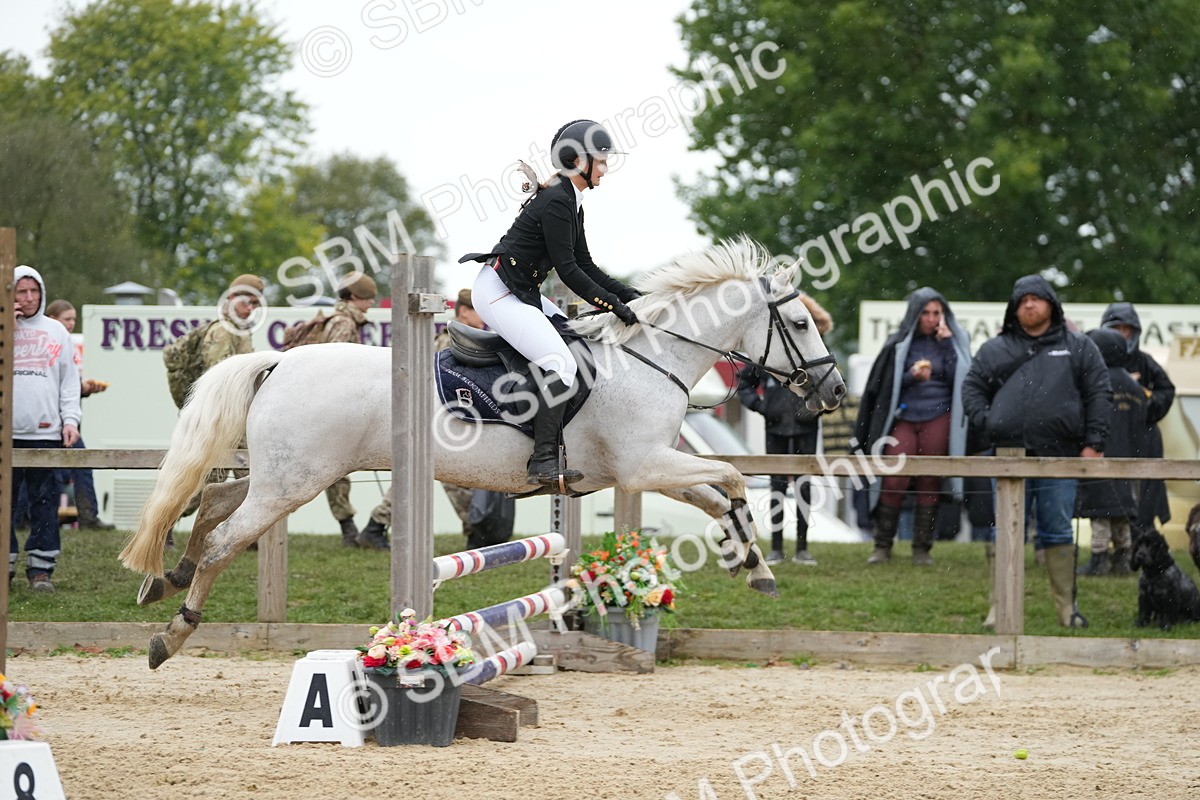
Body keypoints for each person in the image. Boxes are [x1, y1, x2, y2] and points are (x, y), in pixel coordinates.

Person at [460, 119, 641, 487]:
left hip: (522, 290)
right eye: (601, 161)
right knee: (561, 365)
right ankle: (541, 460)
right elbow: (569, 271)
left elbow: (586, 264)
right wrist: (614, 306)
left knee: (577, 346)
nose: (605, 168)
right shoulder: (558, 200)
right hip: (499, 292)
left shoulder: (572, 200)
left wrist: (631, 296)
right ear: (578, 161)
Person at [963, 275, 1111, 628]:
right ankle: (999, 608)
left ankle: (1067, 610)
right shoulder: (994, 349)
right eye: (1023, 299)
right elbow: (972, 387)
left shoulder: (1079, 347)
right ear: (1014, 308)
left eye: (1037, 298)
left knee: (1057, 530)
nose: (1029, 304)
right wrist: (989, 421)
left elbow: (1099, 393)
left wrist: (1094, 443)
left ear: (1051, 304)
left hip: (1059, 455)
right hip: (1006, 455)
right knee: (1005, 530)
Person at [854, 288, 972, 566]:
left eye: (936, 313)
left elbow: (961, 381)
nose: (931, 318)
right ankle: (882, 546)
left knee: (929, 479)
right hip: (905, 416)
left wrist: (947, 345)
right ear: (915, 314)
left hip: (939, 414)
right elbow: (885, 384)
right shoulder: (898, 341)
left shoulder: (956, 341)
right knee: (894, 478)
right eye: (925, 313)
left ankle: (922, 549)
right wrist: (911, 376)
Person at [737, 295, 833, 566]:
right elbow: (744, 384)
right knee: (777, 487)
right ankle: (777, 548)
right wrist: (762, 407)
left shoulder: (818, 349)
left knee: (804, 486)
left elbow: (835, 387)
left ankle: (802, 548)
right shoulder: (772, 350)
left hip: (805, 428)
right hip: (775, 426)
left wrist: (816, 409)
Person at [10, 266, 82, 593]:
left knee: (44, 503)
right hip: (7, 435)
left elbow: (69, 382)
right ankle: (5, 564)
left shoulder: (56, 331)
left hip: (46, 432)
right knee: (6, 504)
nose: (28, 298)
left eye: (33, 291)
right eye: (21, 291)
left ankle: (41, 569)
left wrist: (71, 420)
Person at [179, 274, 264, 520]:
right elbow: (218, 376)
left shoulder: (239, 330)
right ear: (233, 297)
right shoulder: (222, 331)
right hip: (220, 418)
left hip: (237, 417)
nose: (250, 309)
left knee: (250, 478)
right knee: (204, 483)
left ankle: (247, 531)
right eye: (247, 302)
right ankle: (165, 523)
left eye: (255, 304)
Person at [316, 272, 382, 548]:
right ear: (354, 297)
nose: (371, 303)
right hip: (330, 407)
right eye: (368, 298)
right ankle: (348, 529)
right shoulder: (343, 324)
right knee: (330, 471)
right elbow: (334, 369)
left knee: (331, 470)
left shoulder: (342, 319)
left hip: (329, 406)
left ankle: (349, 529)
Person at [1075, 328, 1147, 577]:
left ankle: (1098, 561)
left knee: (1100, 512)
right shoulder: (1134, 386)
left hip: (1101, 455)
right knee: (1122, 511)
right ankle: (1123, 559)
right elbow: (1142, 424)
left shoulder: (1096, 381)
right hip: (1128, 460)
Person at [1100, 302, 1175, 534]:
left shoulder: (1144, 361)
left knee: (1144, 492)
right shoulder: (1094, 361)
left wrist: (1142, 406)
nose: (1122, 334)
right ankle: (1107, 548)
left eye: (1126, 329)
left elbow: (1166, 390)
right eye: (1116, 328)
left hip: (1141, 437)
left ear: (1135, 331)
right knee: (1104, 492)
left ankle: (1142, 540)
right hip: (1108, 437)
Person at [43, 299, 114, 530]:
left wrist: (83, 389)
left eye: (73, 319)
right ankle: (35, 519)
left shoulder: (65, 344)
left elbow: (65, 384)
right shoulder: (45, 344)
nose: (72, 324)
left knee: (78, 465)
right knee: (46, 471)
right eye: (67, 319)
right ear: (52, 319)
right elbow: (47, 386)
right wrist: (80, 388)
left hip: (66, 421)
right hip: (48, 421)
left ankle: (86, 517)